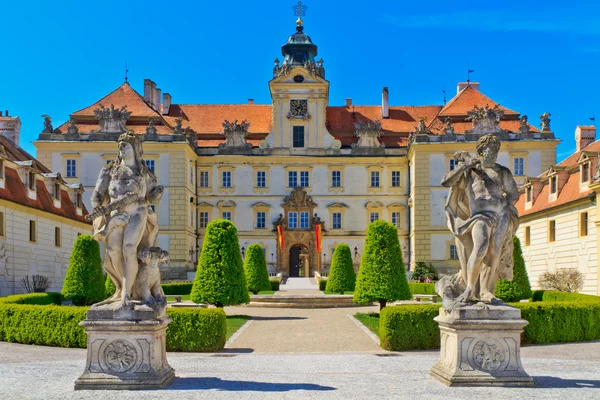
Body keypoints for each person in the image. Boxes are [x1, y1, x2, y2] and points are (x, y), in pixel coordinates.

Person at [440, 134, 519, 307]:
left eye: (496, 150)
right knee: (481, 247)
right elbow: (446, 181)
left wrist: (502, 206)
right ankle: (469, 288)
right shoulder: (470, 171)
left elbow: (513, 194)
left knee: (494, 252)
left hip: (501, 215)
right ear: (482, 150)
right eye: (491, 150)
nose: (494, 154)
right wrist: (464, 166)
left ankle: (485, 291)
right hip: (479, 216)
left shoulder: (502, 171)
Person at [86, 131, 164, 308]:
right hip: (115, 213)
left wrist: (157, 192)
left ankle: (127, 295)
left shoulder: (144, 171)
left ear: (135, 148)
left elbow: (151, 196)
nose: (121, 148)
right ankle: (122, 287)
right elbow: (97, 193)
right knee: (113, 251)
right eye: (120, 145)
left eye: (126, 145)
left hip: (137, 211)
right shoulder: (110, 170)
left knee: (129, 248)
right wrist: (98, 207)